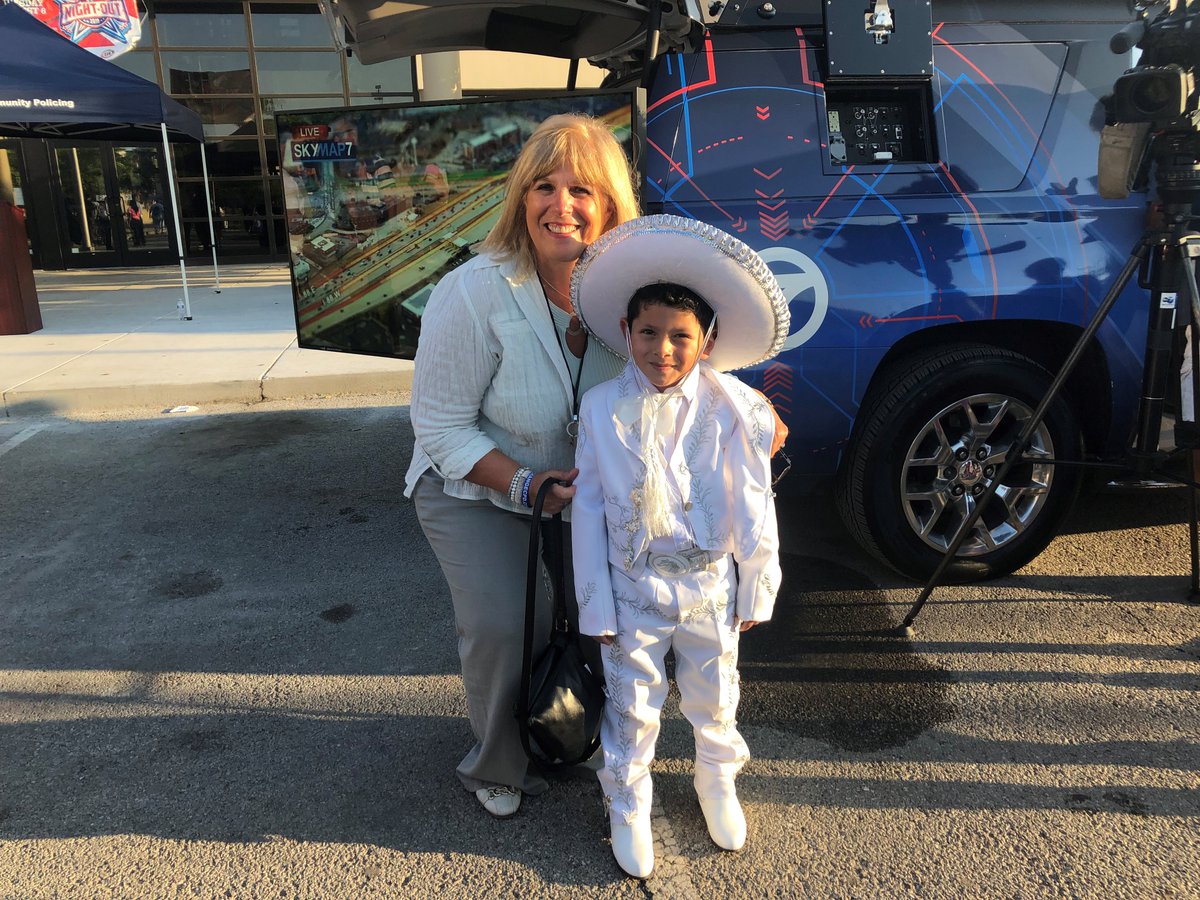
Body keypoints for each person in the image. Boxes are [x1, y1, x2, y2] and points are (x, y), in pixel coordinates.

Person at [403, 113, 640, 818]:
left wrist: (754, 410)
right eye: (544, 186)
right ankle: (497, 762)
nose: (561, 205)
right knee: (510, 623)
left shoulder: (632, 290)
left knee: (603, 618)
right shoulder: (474, 290)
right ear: (521, 198)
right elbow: (440, 427)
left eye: (581, 189)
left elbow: (687, 363)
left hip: (580, 491)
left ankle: (574, 729)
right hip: (473, 486)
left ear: (610, 206)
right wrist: (525, 482)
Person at [568, 215, 789, 878]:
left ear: (707, 339)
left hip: (708, 584)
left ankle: (716, 778)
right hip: (633, 586)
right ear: (626, 331)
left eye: (680, 336)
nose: (662, 349)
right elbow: (588, 508)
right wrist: (594, 606)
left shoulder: (737, 406)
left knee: (715, 694)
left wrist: (757, 583)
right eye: (649, 332)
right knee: (633, 705)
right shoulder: (601, 407)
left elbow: (753, 496)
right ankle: (627, 802)